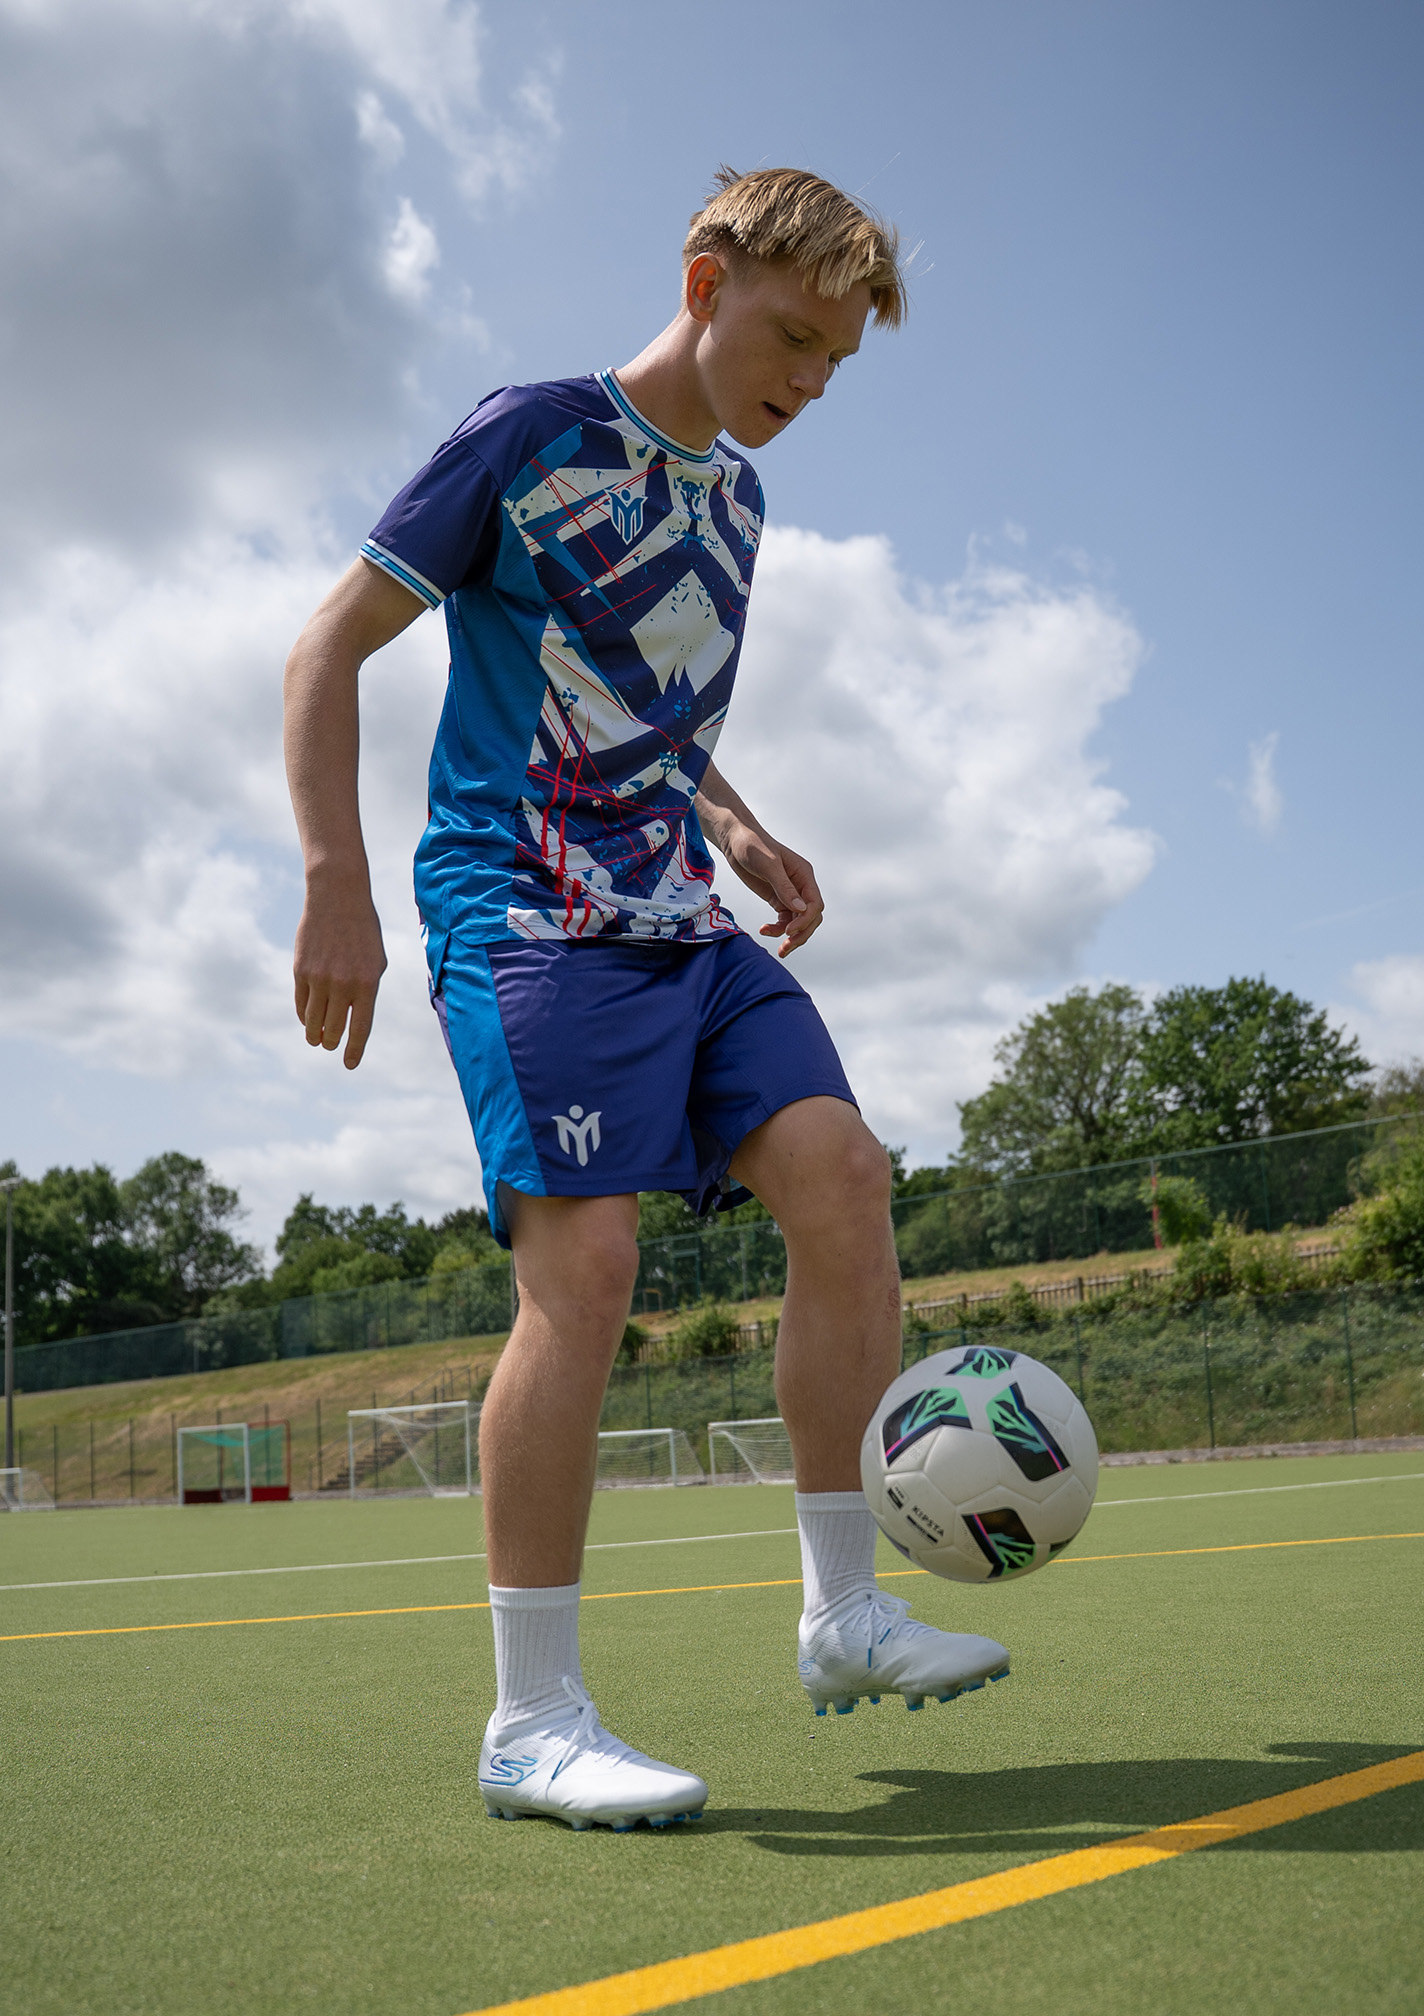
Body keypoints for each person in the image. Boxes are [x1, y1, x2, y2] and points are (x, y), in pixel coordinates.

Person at [282, 166, 1008, 1834]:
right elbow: (330, 642)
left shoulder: (739, 502)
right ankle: (531, 1725)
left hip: (676, 910)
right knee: (587, 1268)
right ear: (706, 277)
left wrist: (738, 822)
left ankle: (846, 1618)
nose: (807, 386)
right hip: (521, 903)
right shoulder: (529, 435)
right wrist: (334, 878)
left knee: (845, 1181)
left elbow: (646, 696)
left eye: (835, 369)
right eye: (794, 339)